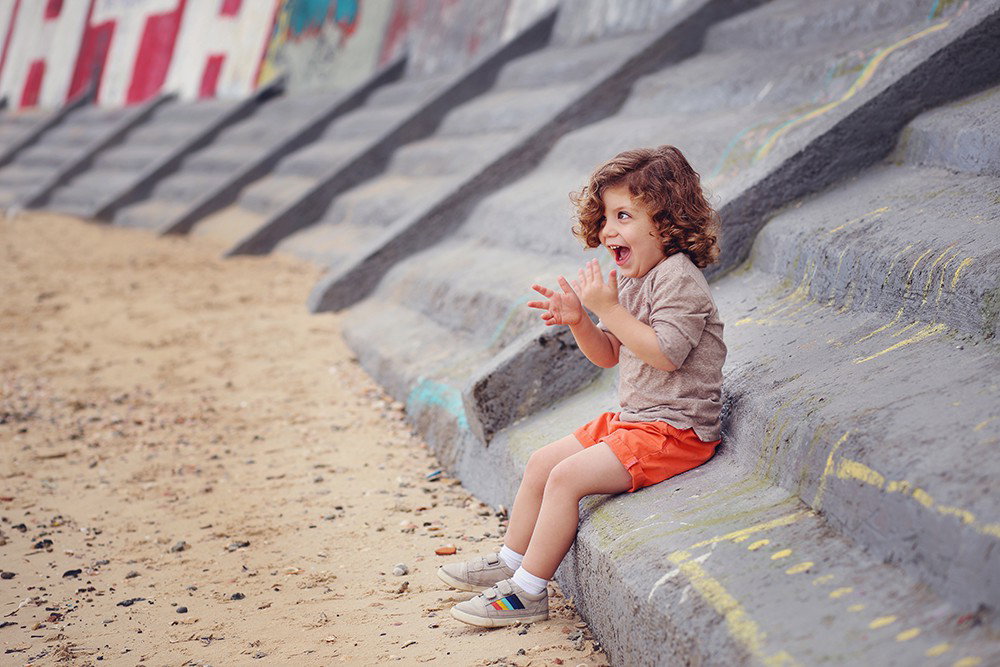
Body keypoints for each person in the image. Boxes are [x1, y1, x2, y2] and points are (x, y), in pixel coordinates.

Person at [438, 145, 727, 627]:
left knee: (566, 479)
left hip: (675, 432)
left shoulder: (679, 280)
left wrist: (609, 309)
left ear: (667, 221)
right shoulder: (636, 277)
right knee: (542, 463)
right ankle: (510, 562)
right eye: (606, 217)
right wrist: (580, 321)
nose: (608, 230)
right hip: (635, 421)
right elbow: (610, 353)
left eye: (623, 216)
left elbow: (666, 353)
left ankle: (527, 593)